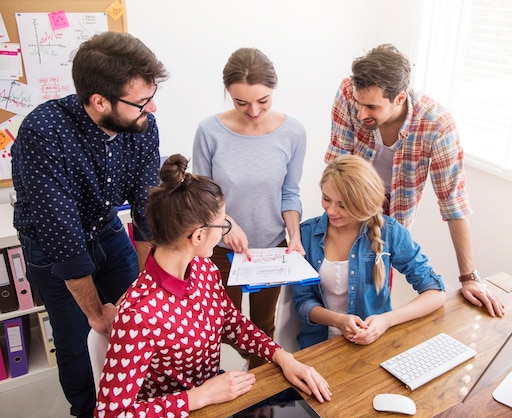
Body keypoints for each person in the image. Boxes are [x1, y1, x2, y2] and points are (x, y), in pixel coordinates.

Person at [95, 154, 331, 416]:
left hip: (216, 399)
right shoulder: (138, 315)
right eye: (222, 224)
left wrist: (282, 356)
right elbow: (110, 413)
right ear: (198, 235)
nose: (224, 231)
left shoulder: (204, 269)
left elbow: (232, 322)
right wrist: (198, 397)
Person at [11, 32, 168, 418]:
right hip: (52, 249)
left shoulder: (142, 124)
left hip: (107, 230)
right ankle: (87, 411)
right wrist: (97, 314)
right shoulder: (43, 133)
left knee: (137, 323)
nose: (153, 108)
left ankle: (140, 405)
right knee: (78, 342)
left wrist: (145, 282)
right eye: (142, 100)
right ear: (99, 101)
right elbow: (62, 240)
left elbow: (146, 208)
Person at [326, 43, 505, 317]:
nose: (361, 114)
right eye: (358, 104)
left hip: (393, 214)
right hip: (348, 195)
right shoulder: (349, 91)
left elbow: (453, 201)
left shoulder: (437, 125)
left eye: (372, 107)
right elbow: (338, 161)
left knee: (375, 294)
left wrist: (469, 277)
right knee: (335, 283)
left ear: (399, 98)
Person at [193, 48, 306, 368]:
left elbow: (290, 192)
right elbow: (203, 195)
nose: (253, 111)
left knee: (262, 330)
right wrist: (227, 224)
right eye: (241, 102)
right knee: (219, 329)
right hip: (217, 248)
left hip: (270, 247)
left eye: (263, 100)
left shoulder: (293, 132)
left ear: (274, 90)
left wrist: (294, 236)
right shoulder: (209, 131)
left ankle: (258, 398)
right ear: (228, 93)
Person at [292, 155, 447, 349]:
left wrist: (386, 321)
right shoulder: (306, 234)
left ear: (362, 203)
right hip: (319, 345)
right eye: (326, 199)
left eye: (342, 205)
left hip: (373, 345)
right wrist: (338, 320)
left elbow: (436, 292)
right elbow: (303, 302)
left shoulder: (389, 232)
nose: (331, 211)